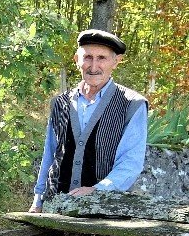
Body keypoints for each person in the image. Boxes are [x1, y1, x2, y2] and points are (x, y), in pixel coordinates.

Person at [29, 29, 148, 213]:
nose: (93, 66)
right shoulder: (60, 103)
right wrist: (38, 200)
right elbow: (50, 156)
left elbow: (130, 163)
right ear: (76, 59)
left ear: (116, 61)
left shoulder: (132, 104)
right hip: (55, 208)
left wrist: (97, 190)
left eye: (101, 58)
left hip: (102, 212)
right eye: (88, 57)